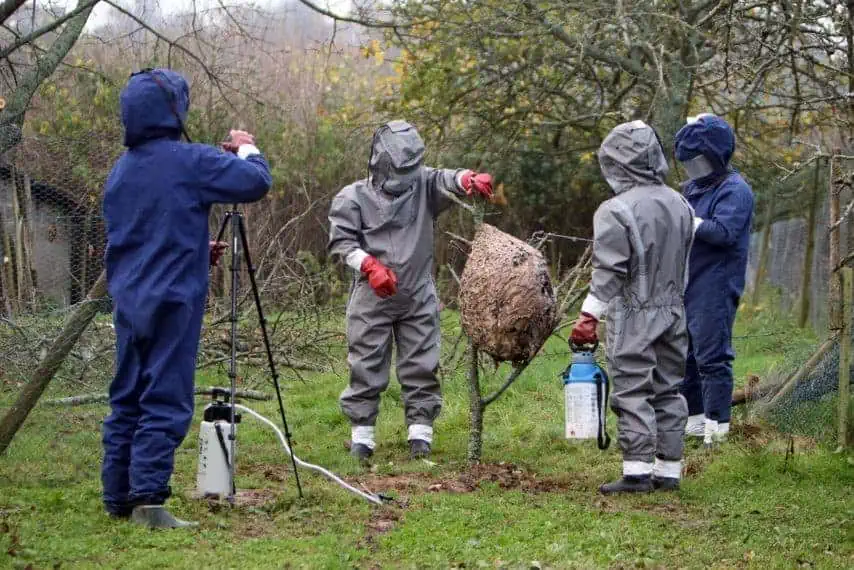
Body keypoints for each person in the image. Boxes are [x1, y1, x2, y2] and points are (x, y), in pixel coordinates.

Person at [101, 68, 272, 528]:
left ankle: (117, 496)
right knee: (167, 395)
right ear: (175, 110)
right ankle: (149, 501)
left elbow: (142, 232)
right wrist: (246, 147)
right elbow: (256, 182)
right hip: (173, 299)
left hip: (130, 298)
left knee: (128, 395)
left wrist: (197, 249)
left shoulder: (121, 171)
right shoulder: (189, 161)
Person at [327, 120, 493, 461]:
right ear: (382, 162)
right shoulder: (353, 197)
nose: (406, 177)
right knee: (366, 362)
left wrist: (466, 179)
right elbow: (341, 242)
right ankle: (362, 436)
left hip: (418, 292)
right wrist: (369, 266)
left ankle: (420, 435)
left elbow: (443, 178)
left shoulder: (422, 184)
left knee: (422, 362)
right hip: (372, 296)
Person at [570, 120, 694, 494]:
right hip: (675, 311)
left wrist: (590, 314)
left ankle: (637, 472)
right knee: (669, 389)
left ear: (617, 162)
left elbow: (610, 269)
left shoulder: (615, 209)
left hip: (636, 313)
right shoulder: (681, 202)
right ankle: (669, 470)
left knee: (632, 389)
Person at [674, 113, 754, 445]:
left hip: (716, 284)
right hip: (687, 282)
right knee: (686, 356)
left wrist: (687, 222)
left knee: (711, 356)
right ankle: (693, 420)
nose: (694, 168)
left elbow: (723, 232)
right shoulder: (691, 188)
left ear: (717, 155)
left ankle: (717, 427)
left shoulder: (735, 190)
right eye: (689, 162)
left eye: (699, 161)